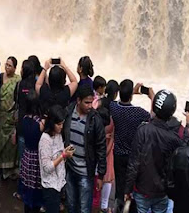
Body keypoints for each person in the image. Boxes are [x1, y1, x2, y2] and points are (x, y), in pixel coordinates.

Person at [125, 89, 189, 213]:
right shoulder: (174, 138)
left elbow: (133, 163)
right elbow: (186, 148)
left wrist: (127, 189)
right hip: (162, 190)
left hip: (142, 189)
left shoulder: (143, 130)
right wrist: (188, 125)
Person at [110, 79, 154, 209]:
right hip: (133, 156)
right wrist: (152, 98)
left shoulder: (114, 107)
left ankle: (118, 207)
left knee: (119, 186)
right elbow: (153, 117)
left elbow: (118, 101)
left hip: (118, 154)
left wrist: (131, 93)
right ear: (130, 96)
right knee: (132, 188)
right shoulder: (138, 112)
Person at [62, 85, 106, 213]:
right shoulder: (68, 112)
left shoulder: (95, 119)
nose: (90, 106)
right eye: (86, 102)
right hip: (70, 169)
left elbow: (101, 148)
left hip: (86, 172)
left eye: (91, 102)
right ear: (78, 100)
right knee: (71, 205)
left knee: (84, 209)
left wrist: (101, 175)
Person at [39, 105, 72, 213]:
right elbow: (47, 168)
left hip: (59, 183)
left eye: (62, 124)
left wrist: (65, 154)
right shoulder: (45, 140)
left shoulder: (58, 135)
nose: (61, 127)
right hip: (50, 186)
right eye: (58, 124)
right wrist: (63, 156)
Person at [17, 89, 44, 213]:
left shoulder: (24, 119)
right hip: (37, 159)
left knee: (27, 188)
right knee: (36, 190)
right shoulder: (40, 123)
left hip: (27, 157)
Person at [0, 56, 21, 180]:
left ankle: (9, 170)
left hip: (11, 116)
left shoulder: (17, 80)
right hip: (1, 115)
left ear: (15, 68)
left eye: (10, 66)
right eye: (6, 64)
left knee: (10, 145)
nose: (7, 67)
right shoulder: (0, 77)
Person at [98, 81, 119, 213]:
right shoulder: (115, 108)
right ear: (116, 93)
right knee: (108, 175)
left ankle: (98, 203)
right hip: (108, 146)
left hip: (97, 145)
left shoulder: (100, 103)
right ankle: (104, 206)